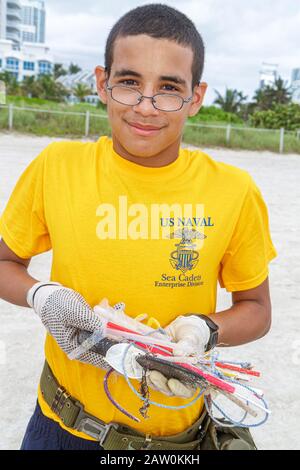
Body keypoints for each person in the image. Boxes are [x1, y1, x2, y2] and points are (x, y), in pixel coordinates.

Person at [0, 3, 276, 451]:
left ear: (197, 97)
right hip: (62, 425)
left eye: (169, 88)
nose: (146, 106)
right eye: (129, 82)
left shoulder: (234, 190)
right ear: (101, 83)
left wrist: (205, 328)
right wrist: (40, 294)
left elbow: (258, 309)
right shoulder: (56, 167)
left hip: (179, 438)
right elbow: (5, 261)